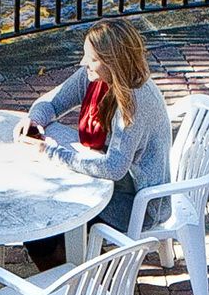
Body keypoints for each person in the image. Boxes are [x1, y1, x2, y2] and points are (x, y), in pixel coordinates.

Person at [17, 19, 172, 270]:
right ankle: (80, 267)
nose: (83, 63)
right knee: (47, 205)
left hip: (135, 201)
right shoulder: (94, 78)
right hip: (111, 182)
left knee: (41, 234)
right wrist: (33, 120)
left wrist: (50, 152)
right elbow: (53, 102)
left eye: (92, 58)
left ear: (113, 61)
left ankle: (70, 290)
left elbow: (114, 168)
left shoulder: (134, 102)